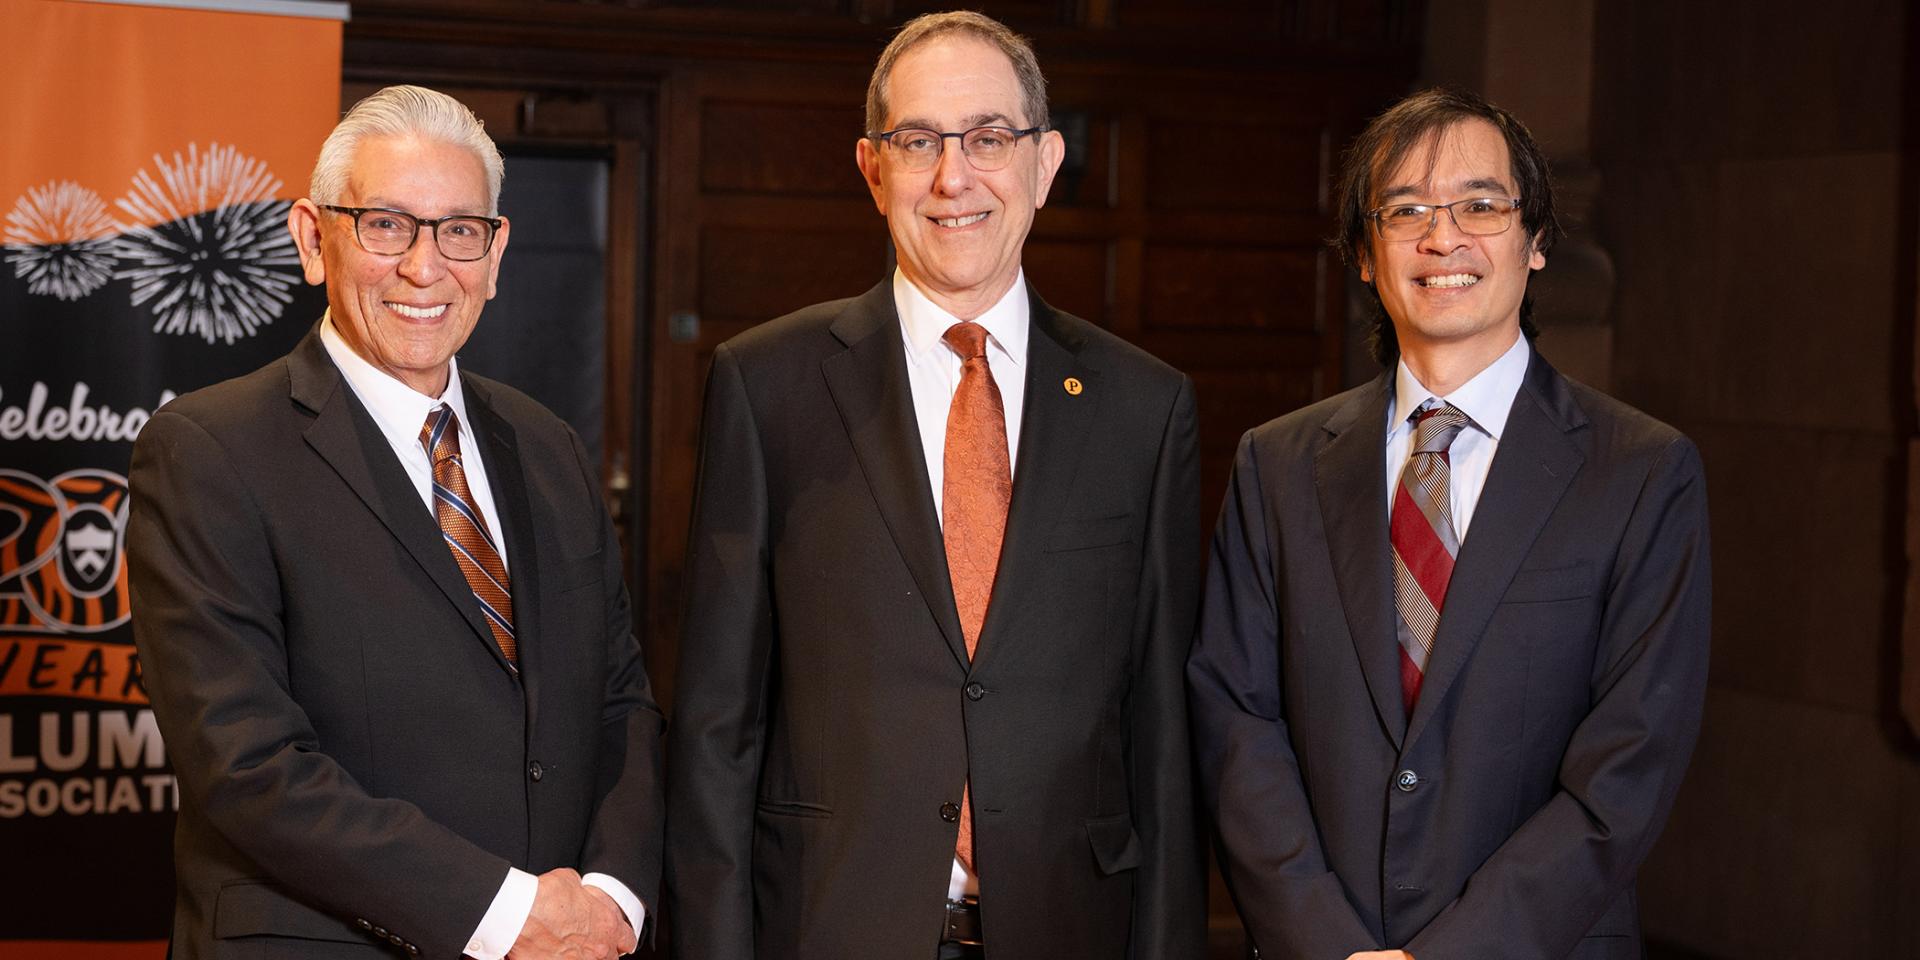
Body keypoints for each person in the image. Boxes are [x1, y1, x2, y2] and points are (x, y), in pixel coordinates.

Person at [663, 11, 1205, 960]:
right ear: (873, 170)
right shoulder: (769, 385)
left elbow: (1162, 738)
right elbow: (717, 724)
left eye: (990, 139)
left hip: (1072, 930)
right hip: (830, 929)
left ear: (1045, 163)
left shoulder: (1144, 409)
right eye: (919, 142)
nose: (955, 177)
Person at [128, 85, 662, 960]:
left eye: (459, 231)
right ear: (312, 238)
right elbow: (247, 767)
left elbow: (621, 703)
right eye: (385, 224)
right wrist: (503, 916)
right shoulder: (208, 452)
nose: (425, 268)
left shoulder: (549, 445)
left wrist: (609, 899)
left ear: (495, 256)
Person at [1186, 87, 1711, 960]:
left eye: (1481, 204)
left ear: (1536, 240)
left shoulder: (1641, 472)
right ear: (1363, 252)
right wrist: (1321, 940)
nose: (1444, 237)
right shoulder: (1274, 465)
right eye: (1406, 210)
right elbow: (1237, 721)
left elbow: (1631, 766)